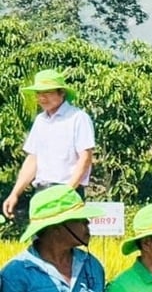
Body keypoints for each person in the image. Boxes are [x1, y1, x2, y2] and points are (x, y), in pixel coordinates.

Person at [3, 69, 96, 221]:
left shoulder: (78, 118)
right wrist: (15, 193)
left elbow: (85, 158)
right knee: (41, 240)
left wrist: (67, 192)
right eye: (39, 93)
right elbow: (33, 159)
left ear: (62, 93)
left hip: (67, 191)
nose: (42, 98)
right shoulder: (40, 121)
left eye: (47, 92)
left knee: (66, 238)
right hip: (42, 192)